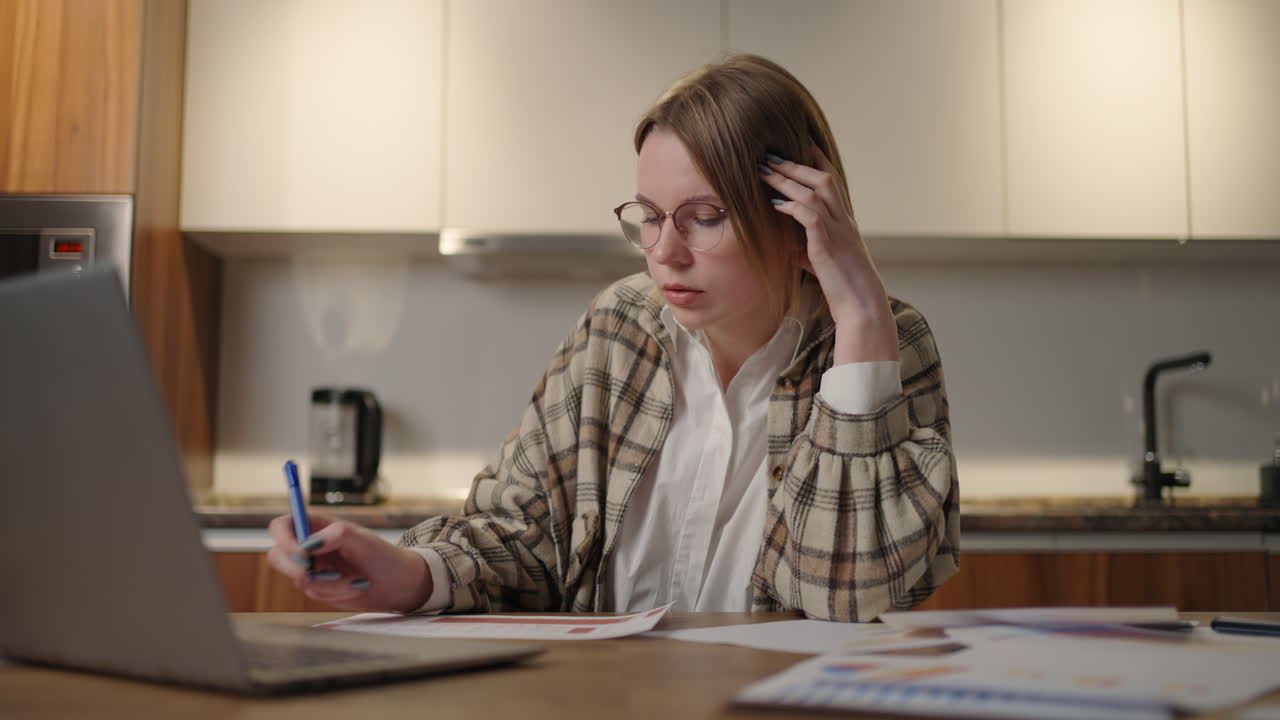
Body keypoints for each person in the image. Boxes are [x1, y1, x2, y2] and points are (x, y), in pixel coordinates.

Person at [267, 54, 959, 622]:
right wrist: (412, 574)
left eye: (705, 216)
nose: (665, 252)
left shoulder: (885, 343)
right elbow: (522, 536)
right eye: (650, 216)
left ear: (798, 214)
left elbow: (848, 595)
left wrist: (861, 312)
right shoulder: (619, 326)